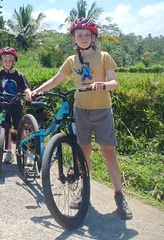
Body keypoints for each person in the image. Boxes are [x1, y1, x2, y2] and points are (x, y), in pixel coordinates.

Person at [31, 17, 132, 220]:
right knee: (83, 153)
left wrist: (103, 84)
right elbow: (56, 79)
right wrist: (36, 90)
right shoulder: (71, 60)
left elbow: (115, 82)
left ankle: (119, 195)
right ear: (74, 39)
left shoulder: (103, 56)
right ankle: (83, 192)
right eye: (80, 35)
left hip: (102, 110)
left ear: (93, 37)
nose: (84, 38)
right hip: (80, 111)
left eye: (87, 35)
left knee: (108, 152)